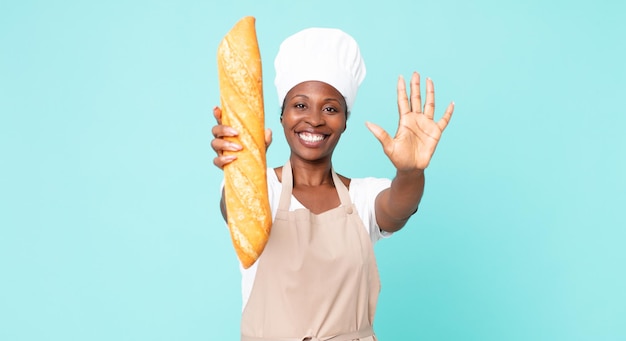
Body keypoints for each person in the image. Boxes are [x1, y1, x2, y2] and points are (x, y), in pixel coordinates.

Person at [211, 27, 454, 341]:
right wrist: (242, 163)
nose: (314, 119)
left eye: (330, 108)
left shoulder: (363, 198)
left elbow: (399, 206)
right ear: (281, 115)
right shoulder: (259, 191)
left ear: (345, 120)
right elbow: (235, 209)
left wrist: (410, 171)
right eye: (300, 105)